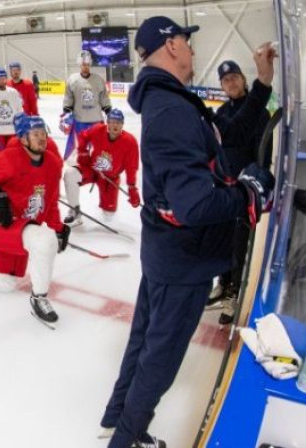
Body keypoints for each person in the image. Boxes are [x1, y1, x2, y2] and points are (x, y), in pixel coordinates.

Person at [99, 17, 275, 448]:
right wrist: (249, 196)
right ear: (171, 46)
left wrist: (263, 86)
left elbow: (226, 136)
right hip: (184, 259)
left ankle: (115, 419)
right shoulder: (172, 108)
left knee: (145, 341)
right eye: (187, 41)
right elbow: (194, 204)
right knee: (161, 357)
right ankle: (127, 437)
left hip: (168, 252)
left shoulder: (170, 100)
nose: (194, 49)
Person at [0, 115, 68, 326]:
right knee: (44, 240)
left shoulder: (52, 163)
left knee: (5, 283)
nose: (42, 139)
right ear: (23, 139)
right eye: (35, 134)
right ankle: (39, 298)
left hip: (23, 224)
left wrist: (58, 227)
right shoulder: (10, 159)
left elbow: (50, 201)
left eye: (43, 134)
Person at [209, 50, 276, 323]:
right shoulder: (223, 113)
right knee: (220, 236)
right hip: (224, 187)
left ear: (243, 78)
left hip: (245, 189)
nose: (231, 83)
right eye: (226, 80)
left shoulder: (257, 111)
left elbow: (264, 155)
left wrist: (251, 182)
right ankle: (222, 282)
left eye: (234, 77)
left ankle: (234, 293)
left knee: (239, 242)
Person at [62, 108, 140, 226]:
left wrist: (132, 187)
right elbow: (83, 136)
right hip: (92, 170)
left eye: (118, 122)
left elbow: (132, 167)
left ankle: (108, 213)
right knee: (70, 174)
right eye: (112, 121)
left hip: (110, 179)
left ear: (122, 124)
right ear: (107, 122)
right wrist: (83, 152)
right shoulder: (98, 129)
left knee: (109, 216)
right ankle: (74, 210)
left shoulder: (130, 142)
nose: (115, 125)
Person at [61, 50, 112, 160]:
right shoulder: (72, 79)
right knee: (79, 151)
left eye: (88, 64)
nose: (86, 67)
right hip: (80, 121)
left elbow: (103, 97)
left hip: (96, 121)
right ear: (80, 64)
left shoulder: (98, 79)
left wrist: (108, 110)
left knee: (99, 151)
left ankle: (98, 171)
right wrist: (67, 110)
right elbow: (68, 97)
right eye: (84, 64)